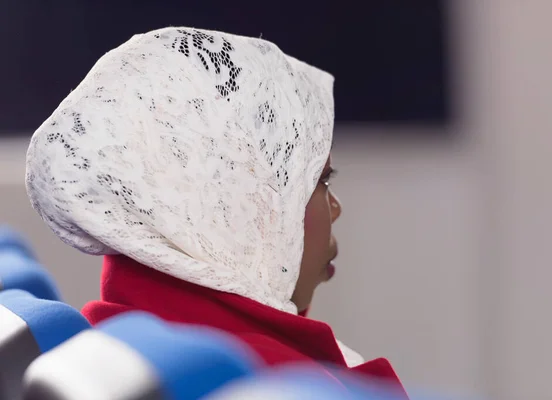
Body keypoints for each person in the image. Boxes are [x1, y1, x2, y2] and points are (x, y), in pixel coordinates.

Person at [25, 27, 406, 395]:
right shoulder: (268, 383)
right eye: (320, 181)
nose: (335, 208)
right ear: (243, 208)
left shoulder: (122, 343)